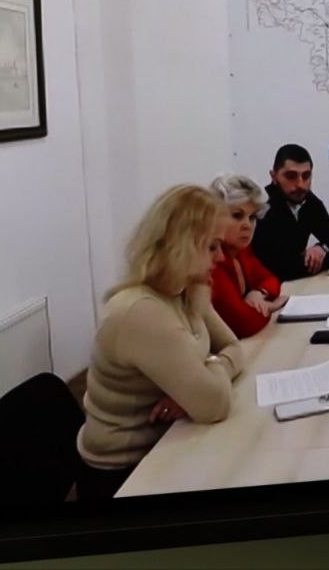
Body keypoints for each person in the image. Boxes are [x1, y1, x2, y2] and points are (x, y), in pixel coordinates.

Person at [77, 184, 244, 499]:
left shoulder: (187, 290)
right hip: (124, 476)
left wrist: (200, 380)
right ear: (183, 246)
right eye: (212, 247)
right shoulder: (141, 311)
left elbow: (235, 348)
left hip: (165, 444)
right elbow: (214, 404)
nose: (221, 258)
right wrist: (201, 384)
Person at [251, 144, 329, 282]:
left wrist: (321, 248)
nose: (300, 185)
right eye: (291, 176)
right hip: (267, 287)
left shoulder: (309, 201)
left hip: (298, 285)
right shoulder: (262, 207)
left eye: (306, 176)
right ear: (274, 177)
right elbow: (283, 269)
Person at [208, 173, 288, 338]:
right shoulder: (212, 260)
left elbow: (272, 279)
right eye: (237, 215)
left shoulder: (242, 251)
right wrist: (270, 308)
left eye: (252, 217)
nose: (247, 225)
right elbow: (244, 324)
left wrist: (259, 293)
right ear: (214, 217)